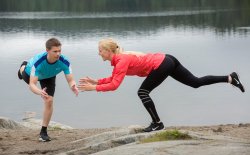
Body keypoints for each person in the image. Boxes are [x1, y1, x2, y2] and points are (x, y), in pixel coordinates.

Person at [78, 38, 245, 132]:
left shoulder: (121, 60)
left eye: (100, 50)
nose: (98, 52)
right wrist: (97, 82)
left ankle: (157, 123)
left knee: (142, 92)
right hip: (167, 59)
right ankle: (230, 78)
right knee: (195, 82)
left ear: (108, 51)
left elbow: (115, 85)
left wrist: (94, 89)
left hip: (161, 64)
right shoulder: (119, 61)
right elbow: (113, 79)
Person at [18, 38, 79, 141]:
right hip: (29, 74)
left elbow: (70, 80)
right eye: (55, 51)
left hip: (49, 76)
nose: (58, 54)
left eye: (59, 51)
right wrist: (39, 91)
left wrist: (73, 86)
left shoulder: (65, 62)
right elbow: (32, 85)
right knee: (22, 72)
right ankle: (22, 66)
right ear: (47, 50)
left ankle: (43, 132)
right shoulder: (38, 63)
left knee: (49, 100)